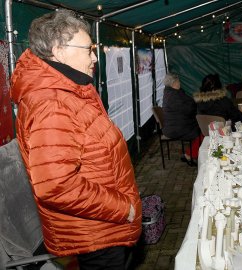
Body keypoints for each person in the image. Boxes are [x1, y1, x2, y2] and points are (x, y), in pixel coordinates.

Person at [10, 10, 142, 269]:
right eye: (88, 49)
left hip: (101, 227)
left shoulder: (71, 89)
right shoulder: (51, 103)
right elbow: (56, 186)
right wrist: (123, 209)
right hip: (97, 233)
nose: (94, 57)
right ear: (59, 51)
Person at [162, 73, 201, 165]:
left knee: (199, 128)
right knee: (202, 132)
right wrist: (195, 105)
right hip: (175, 129)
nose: (180, 83)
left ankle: (190, 153)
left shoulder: (170, 93)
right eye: (178, 81)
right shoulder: (174, 96)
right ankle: (189, 155)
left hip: (173, 126)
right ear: (174, 83)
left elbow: (187, 106)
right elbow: (188, 110)